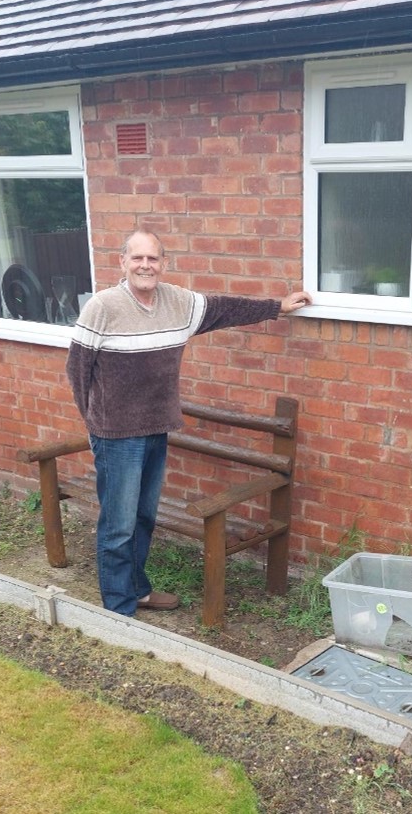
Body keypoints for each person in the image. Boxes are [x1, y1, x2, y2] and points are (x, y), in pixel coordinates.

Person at [66, 230, 311, 617]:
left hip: (155, 429)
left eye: (153, 259)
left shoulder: (178, 302)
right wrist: (95, 421)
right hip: (116, 436)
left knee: (144, 517)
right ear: (122, 263)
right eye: (137, 259)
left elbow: (225, 308)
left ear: (164, 264)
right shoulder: (103, 306)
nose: (145, 266)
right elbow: (77, 369)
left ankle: (137, 590)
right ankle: (118, 610)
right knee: (118, 525)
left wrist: (276, 306)